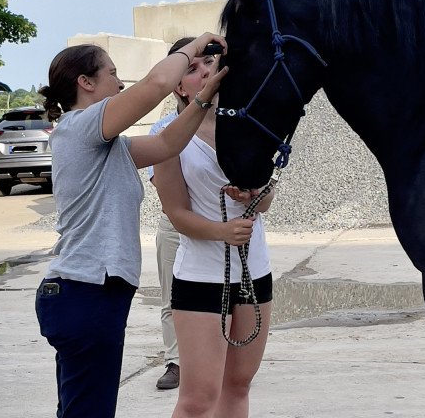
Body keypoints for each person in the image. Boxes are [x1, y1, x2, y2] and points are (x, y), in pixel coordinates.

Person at [34, 32, 228, 418]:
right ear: (85, 83)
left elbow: (167, 144)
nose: (120, 83)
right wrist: (194, 47)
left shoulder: (107, 144)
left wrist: (204, 97)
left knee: (82, 409)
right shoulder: (82, 127)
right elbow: (157, 84)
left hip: (87, 293)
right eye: (112, 73)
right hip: (86, 292)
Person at [153, 41, 275, 418]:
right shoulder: (167, 135)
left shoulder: (250, 124)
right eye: (192, 68)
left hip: (255, 272)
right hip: (200, 276)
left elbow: (266, 198)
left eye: (210, 61)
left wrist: (255, 193)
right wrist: (222, 231)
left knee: (238, 386)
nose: (205, 70)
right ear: (179, 87)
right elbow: (175, 213)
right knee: (198, 398)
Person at [147, 38, 194, 390]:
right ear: (178, 83)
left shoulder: (227, 125)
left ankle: (219, 356)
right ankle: (175, 362)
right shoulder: (160, 130)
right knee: (172, 298)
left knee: (226, 294)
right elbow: (161, 185)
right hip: (175, 225)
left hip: (219, 224)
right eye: (191, 68)